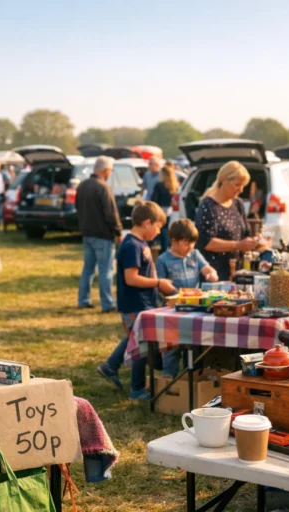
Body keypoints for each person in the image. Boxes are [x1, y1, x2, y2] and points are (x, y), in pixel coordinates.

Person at [97, 201, 175, 400]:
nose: (158, 232)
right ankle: (137, 389)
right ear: (147, 223)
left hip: (144, 303)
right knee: (141, 344)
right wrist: (158, 283)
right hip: (134, 303)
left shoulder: (141, 243)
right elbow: (131, 278)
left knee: (137, 338)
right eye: (158, 227)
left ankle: (110, 366)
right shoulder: (132, 245)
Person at [155, 218, 218, 378]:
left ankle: (194, 375)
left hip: (195, 308)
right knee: (172, 346)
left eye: (192, 243)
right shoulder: (163, 260)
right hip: (174, 310)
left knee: (194, 344)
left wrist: (211, 273)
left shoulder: (195, 255)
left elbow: (207, 269)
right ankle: (169, 378)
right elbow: (161, 285)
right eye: (186, 243)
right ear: (174, 241)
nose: (190, 247)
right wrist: (171, 291)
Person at [195, 161, 267, 281]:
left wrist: (257, 242)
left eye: (243, 186)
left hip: (237, 272)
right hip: (214, 274)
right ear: (224, 180)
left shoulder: (238, 203)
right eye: (237, 184)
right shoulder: (208, 206)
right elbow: (206, 243)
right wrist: (237, 245)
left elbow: (246, 234)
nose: (241, 190)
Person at [76, 156, 123, 312]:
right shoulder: (103, 187)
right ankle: (107, 303)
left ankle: (83, 300)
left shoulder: (82, 186)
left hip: (87, 233)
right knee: (106, 270)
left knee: (88, 269)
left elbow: (78, 208)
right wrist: (118, 231)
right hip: (103, 235)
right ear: (105, 170)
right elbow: (111, 213)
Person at [150, 161, 179, 252]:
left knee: (162, 235)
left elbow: (154, 200)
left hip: (161, 213)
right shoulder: (176, 186)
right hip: (173, 214)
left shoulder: (159, 185)